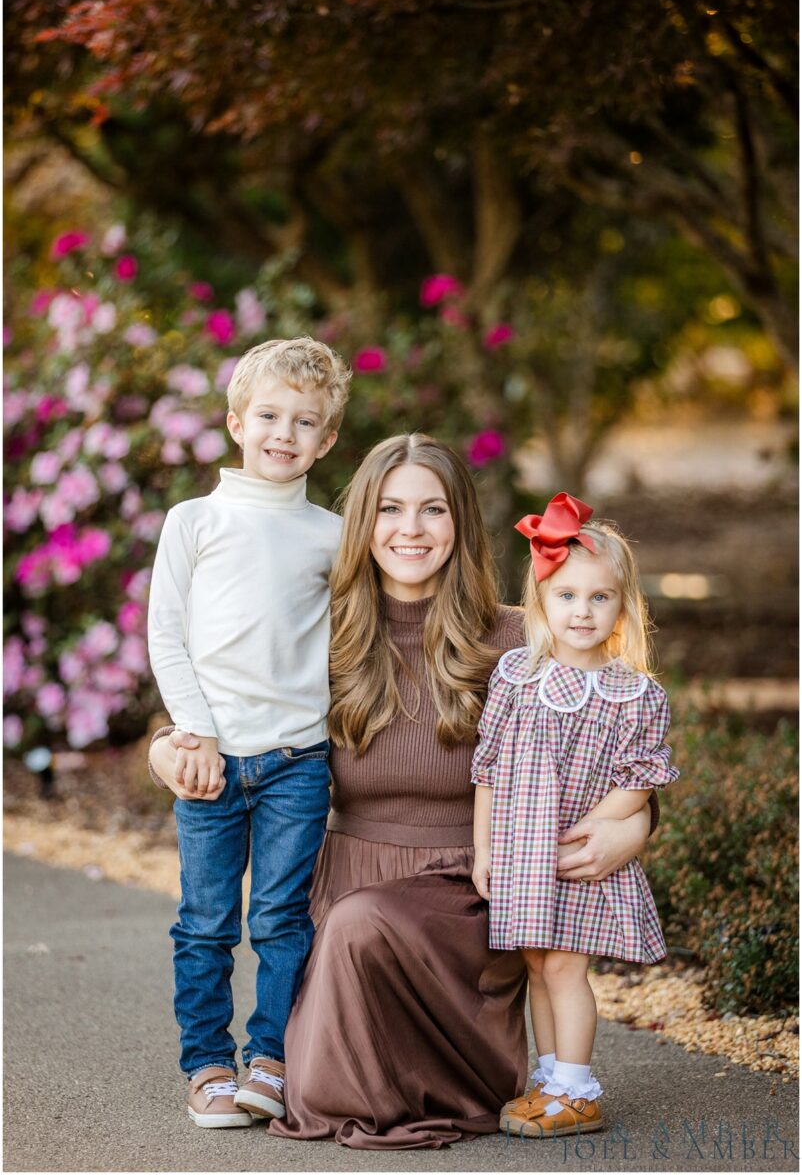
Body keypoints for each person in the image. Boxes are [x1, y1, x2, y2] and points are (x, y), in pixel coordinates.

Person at [151, 435, 658, 1150]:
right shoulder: (317, 633)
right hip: (341, 893)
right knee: (314, 1051)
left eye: (432, 510)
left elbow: (614, 744)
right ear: (362, 522)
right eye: (390, 509)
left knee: (360, 934)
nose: (410, 529)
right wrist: (165, 749)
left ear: (460, 523)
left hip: (467, 899)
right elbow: (225, 715)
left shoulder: (521, 639)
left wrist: (634, 826)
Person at [147, 337, 350, 1127]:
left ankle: (271, 1057)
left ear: (326, 439)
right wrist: (192, 733)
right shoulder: (195, 521)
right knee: (205, 922)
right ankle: (207, 1066)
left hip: (298, 759)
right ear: (236, 423)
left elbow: (350, 642)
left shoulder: (331, 535)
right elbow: (166, 634)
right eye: (268, 415)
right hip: (211, 760)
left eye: (305, 422)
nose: (284, 433)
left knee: (281, 919)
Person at [472, 492, 679, 1139]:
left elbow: (639, 780)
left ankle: (578, 1090)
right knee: (537, 965)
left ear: (623, 606)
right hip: (521, 855)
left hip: (577, 858)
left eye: (599, 597)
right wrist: (484, 850)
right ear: (541, 601)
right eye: (566, 595)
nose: (582, 611)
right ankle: (550, 1080)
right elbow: (488, 768)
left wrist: (592, 830)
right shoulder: (516, 675)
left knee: (564, 968)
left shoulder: (634, 693)